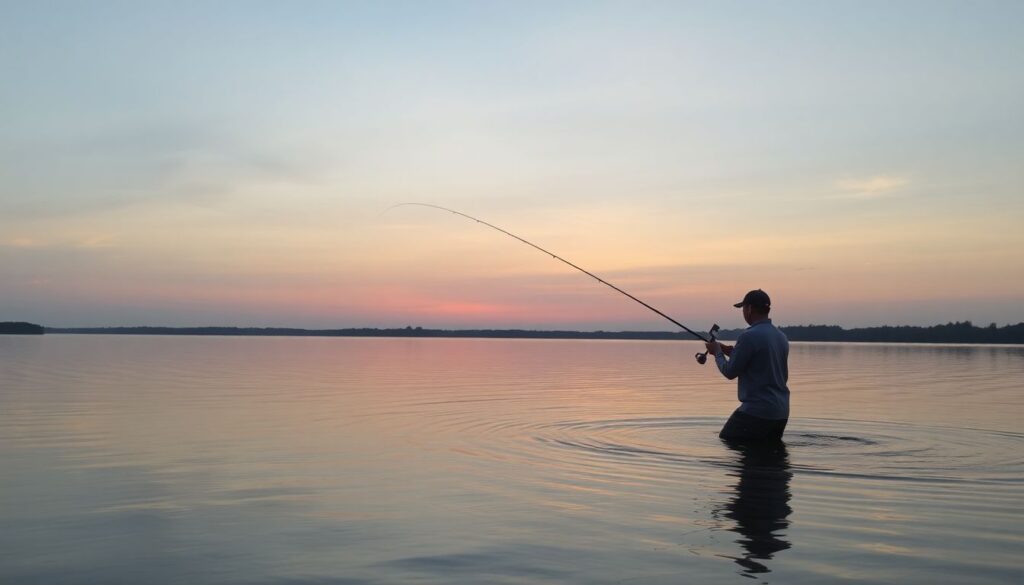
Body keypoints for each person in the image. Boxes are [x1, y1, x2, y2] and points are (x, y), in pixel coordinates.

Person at [706, 289, 790, 442]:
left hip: (757, 411)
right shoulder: (781, 336)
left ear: (749, 309)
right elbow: (760, 362)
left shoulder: (748, 336)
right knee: (767, 453)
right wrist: (729, 351)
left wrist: (717, 352)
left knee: (726, 439)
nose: (743, 312)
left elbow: (729, 372)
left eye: (743, 308)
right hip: (781, 413)